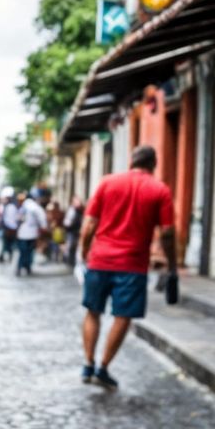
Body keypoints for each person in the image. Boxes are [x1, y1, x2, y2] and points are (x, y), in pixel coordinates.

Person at [80, 144, 177, 390]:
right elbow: (167, 232)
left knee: (93, 311)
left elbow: (89, 225)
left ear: (131, 161)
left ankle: (88, 364)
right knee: (122, 317)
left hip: (99, 260)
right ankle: (103, 368)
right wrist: (172, 265)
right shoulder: (160, 190)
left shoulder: (107, 183)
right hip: (133, 265)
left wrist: (84, 252)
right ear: (153, 164)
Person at [14, 191, 47, 276]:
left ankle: (20, 267)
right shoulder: (34, 206)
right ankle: (27, 267)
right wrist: (43, 227)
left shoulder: (22, 206)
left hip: (22, 234)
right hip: (32, 233)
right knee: (29, 251)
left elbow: (17, 219)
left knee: (22, 252)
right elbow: (42, 217)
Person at [63, 197, 84, 268]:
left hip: (77, 231)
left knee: (75, 246)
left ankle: (73, 260)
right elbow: (67, 222)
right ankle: (70, 260)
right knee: (71, 246)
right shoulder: (72, 210)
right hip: (72, 231)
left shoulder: (80, 210)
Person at [0, 190, 21, 261]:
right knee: (8, 243)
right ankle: (7, 255)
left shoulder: (10, 207)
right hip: (11, 228)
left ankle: (6, 255)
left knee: (7, 243)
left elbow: (9, 219)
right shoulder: (12, 207)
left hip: (9, 228)